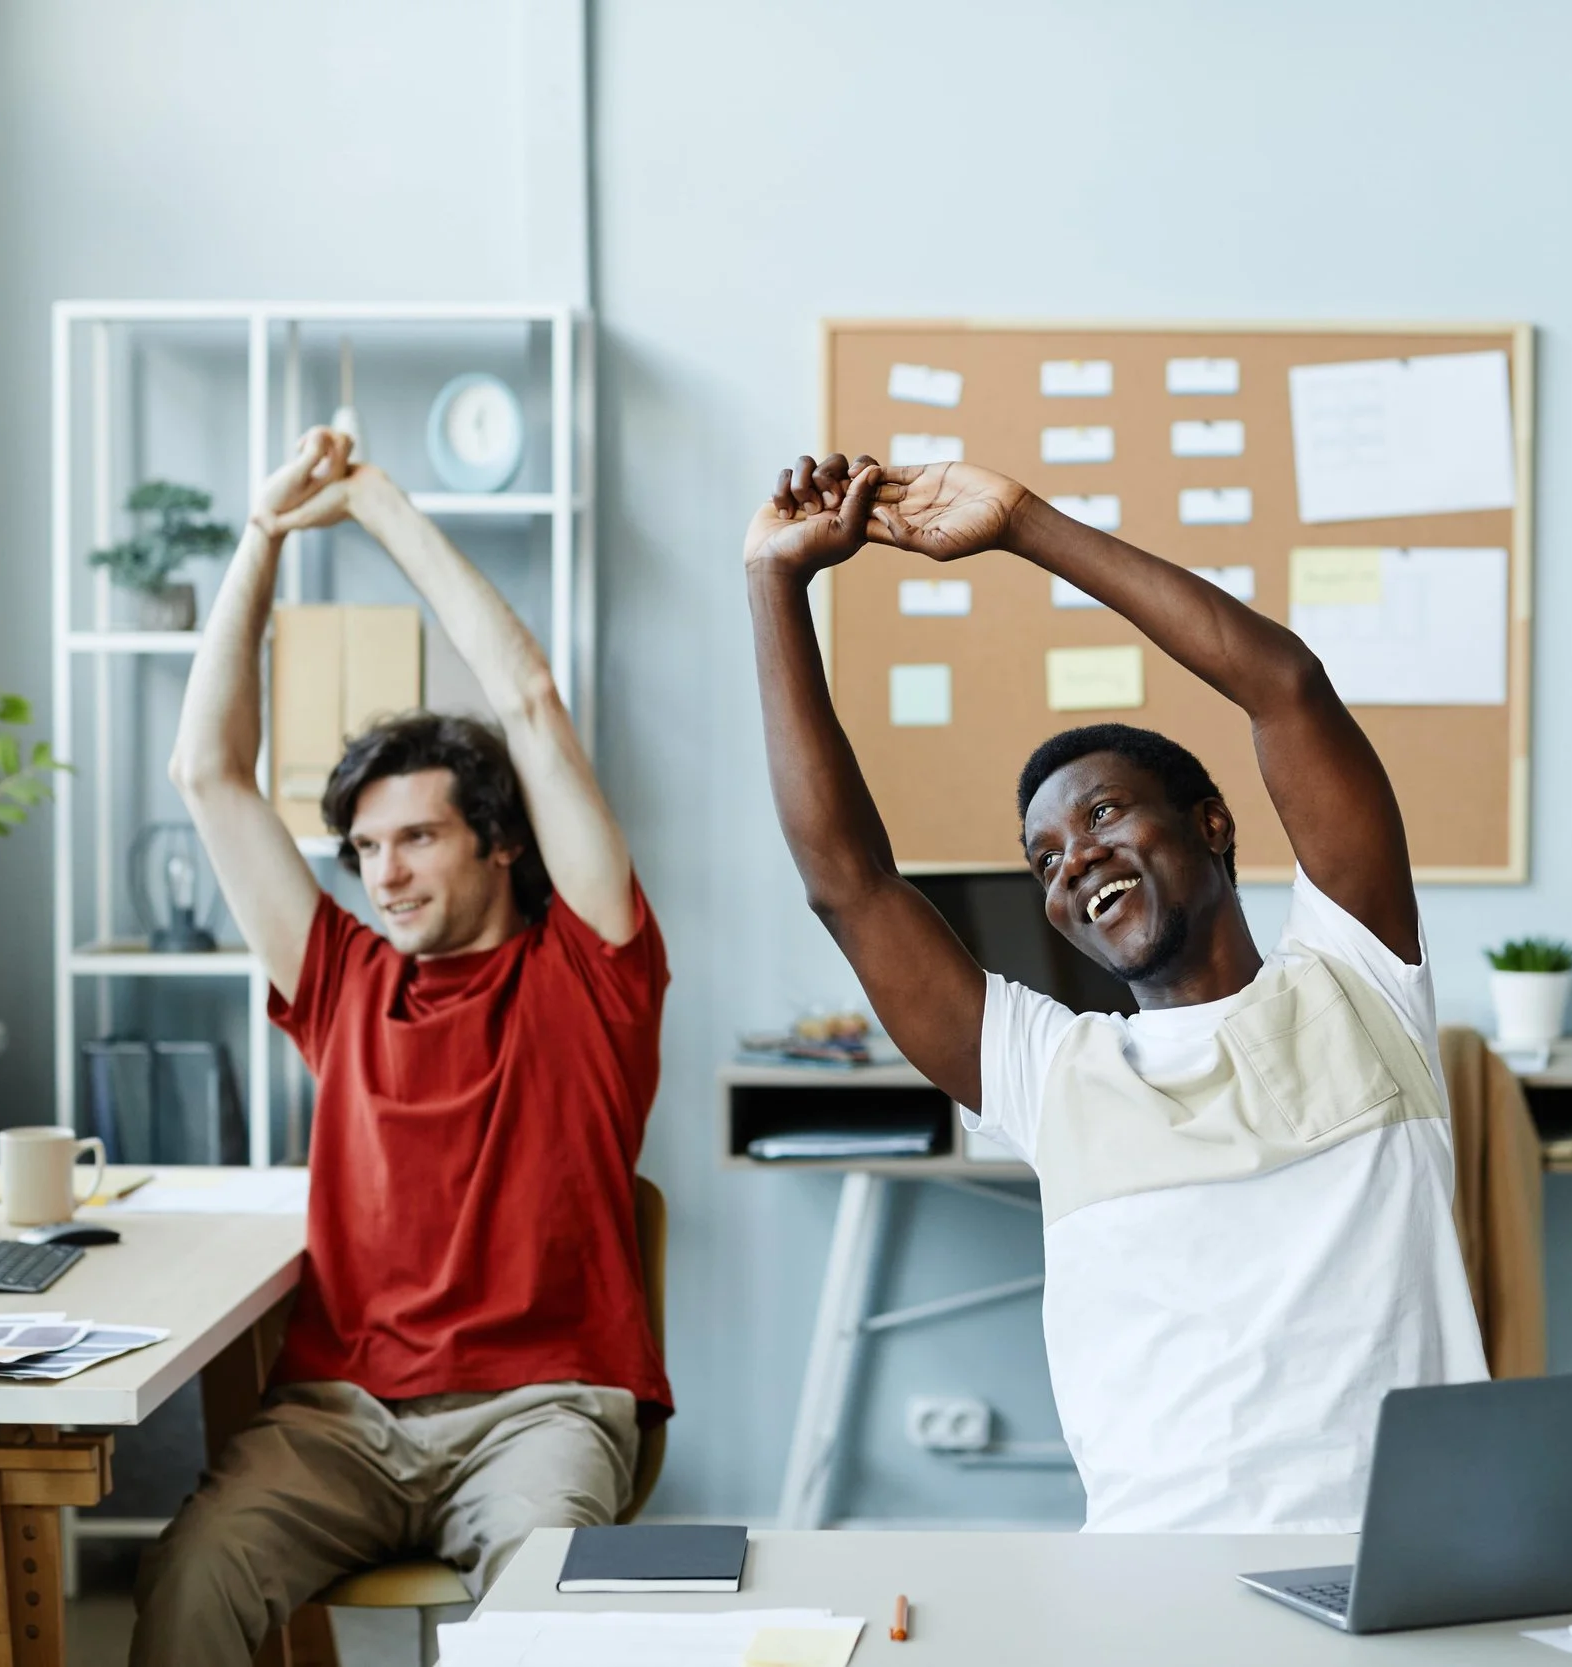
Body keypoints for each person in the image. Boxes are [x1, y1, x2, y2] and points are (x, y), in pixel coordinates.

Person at [746, 452, 1485, 1533]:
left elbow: (1282, 685)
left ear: (1212, 824)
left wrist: (1024, 526)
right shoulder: (1049, 1072)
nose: (1073, 863)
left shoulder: (1359, 977)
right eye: (1042, 858)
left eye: (1099, 817)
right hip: (1156, 1586)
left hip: (1406, 1556)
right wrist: (773, 582)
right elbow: (848, 885)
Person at [139, 431, 671, 1665]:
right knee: (189, 1583)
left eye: (419, 838)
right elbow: (207, 769)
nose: (385, 871)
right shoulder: (340, 978)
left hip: (540, 1409)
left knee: (545, 1629)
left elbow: (529, 700)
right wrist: (263, 534)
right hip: (338, 1418)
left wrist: (374, 500)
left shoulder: (590, 968)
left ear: (499, 842)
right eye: (367, 848)